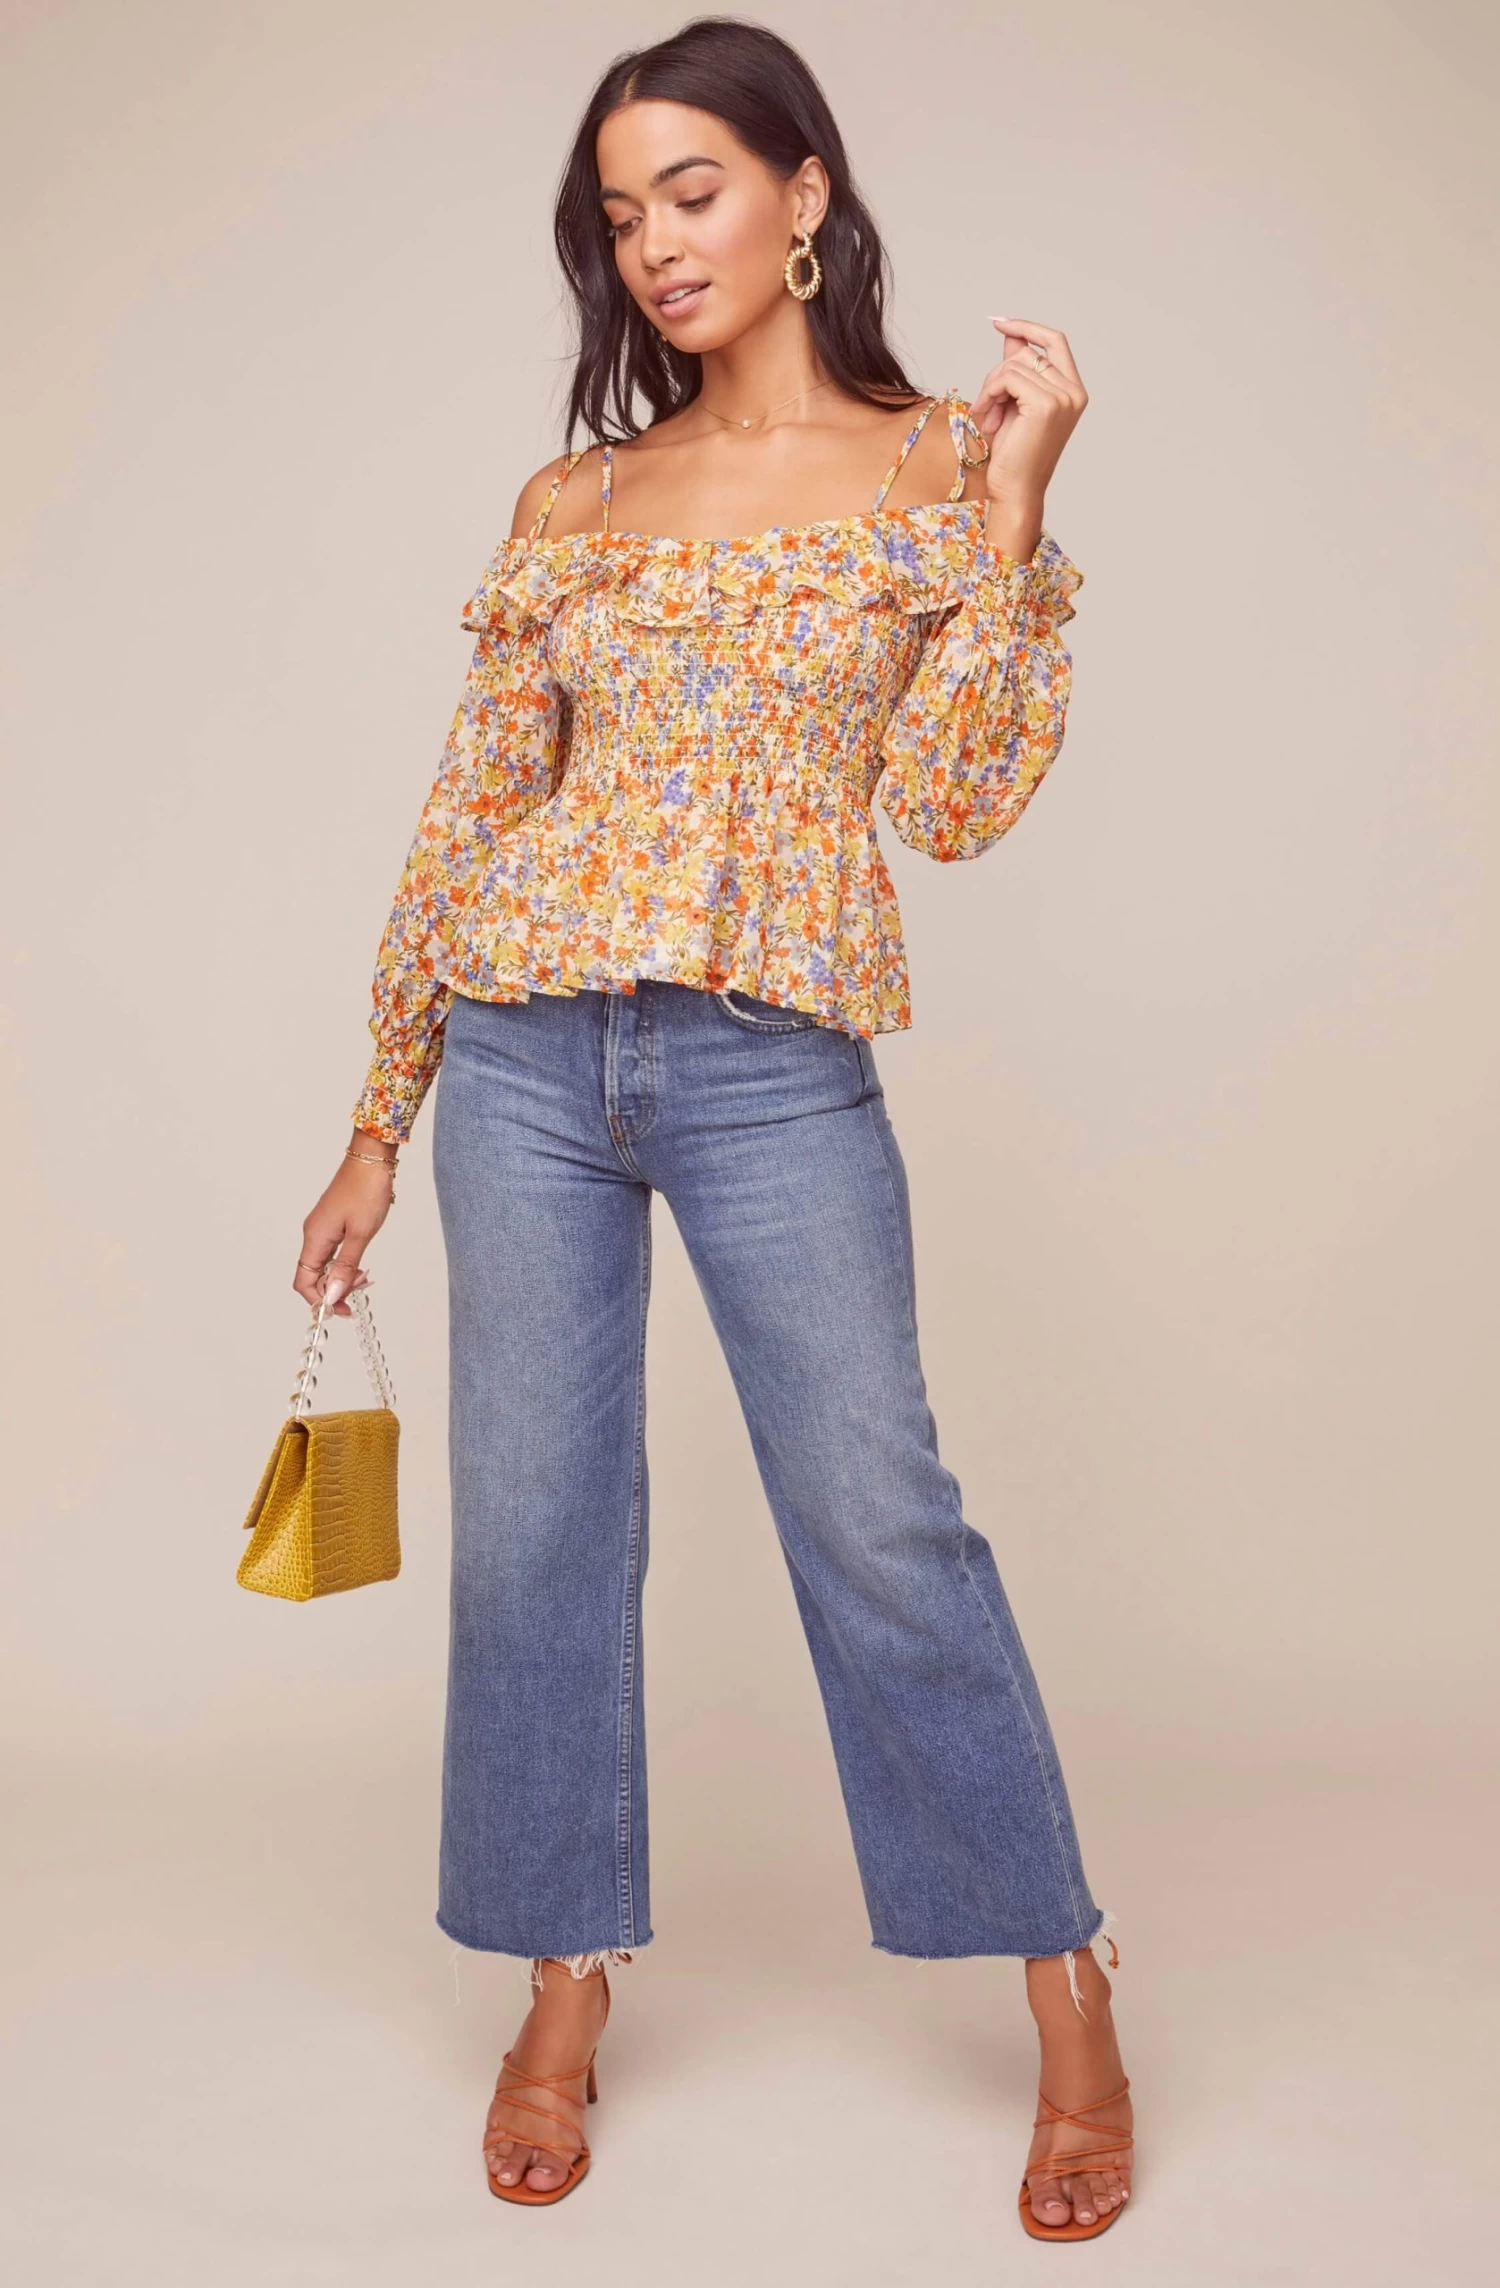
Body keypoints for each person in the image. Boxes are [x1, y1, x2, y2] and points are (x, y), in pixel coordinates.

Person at [293, 14, 1133, 2242]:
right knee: (535, 1529)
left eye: (693, 189)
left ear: (802, 195)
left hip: (771, 1060)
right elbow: (471, 818)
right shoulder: (572, 506)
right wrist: (379, 1115)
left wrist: (1020, 505)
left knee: (879, 1516)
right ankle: (563, 1978)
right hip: (525, 1061)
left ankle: (1065, 1982)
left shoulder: (940, 462)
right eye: (621, 212)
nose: (658, 242)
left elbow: (952, 802)